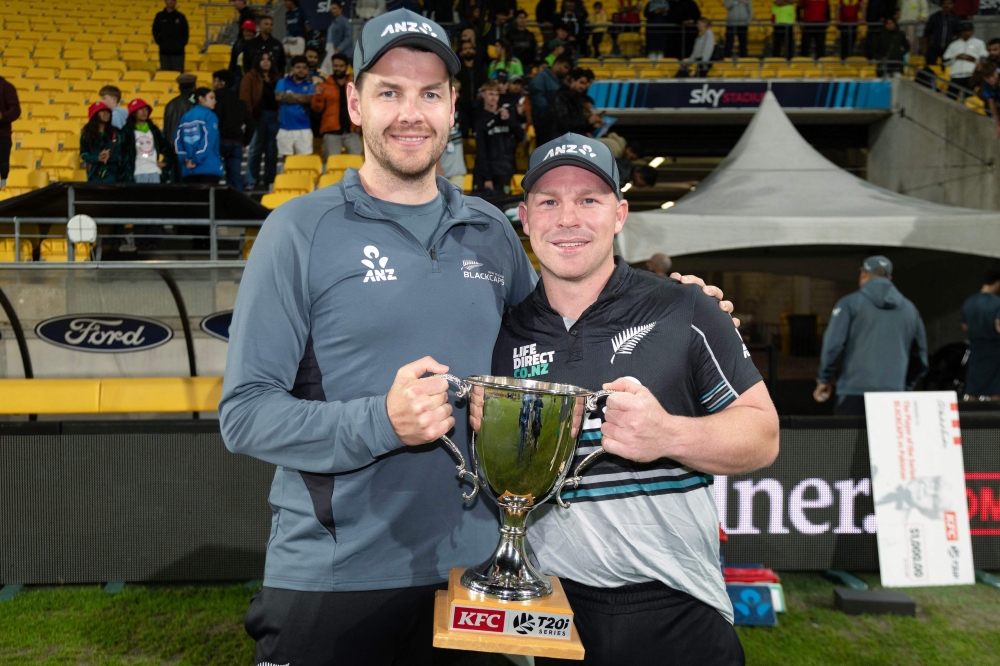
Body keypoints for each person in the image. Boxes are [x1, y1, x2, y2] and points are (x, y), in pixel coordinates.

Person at [218, 9, 537, 664]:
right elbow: (244, 414)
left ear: (454, 108)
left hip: (475, 572)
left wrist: (679, 307)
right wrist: (382, 423)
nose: (410, 113)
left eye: (429, 94)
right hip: (334, 578)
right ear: (356, 104)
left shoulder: (493, 232)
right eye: (389, 92)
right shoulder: (298, 230)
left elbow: (552, 351)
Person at [473, 133, 778, 666]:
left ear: (620, 214)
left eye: (589, 200)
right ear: (525, 218)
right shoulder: (502, 334)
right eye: (549, 201)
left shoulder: (686, 308)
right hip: (548, 607)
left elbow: (762, 436)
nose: (568, 218)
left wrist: (669, 435)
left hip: (676, 606)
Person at [814, 256, 929, 416]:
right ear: (889, 278)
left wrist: (824, 378)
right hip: (894, 394)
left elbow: (832, 345)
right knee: (886, 441)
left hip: (853, 391)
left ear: (863, 274)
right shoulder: (910, 309)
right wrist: (904, 385)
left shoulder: (849, 303)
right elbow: (921, 357)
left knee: (848, 441)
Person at [474, 79, 524, 193]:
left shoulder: (506, 115)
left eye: (496, 94)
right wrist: (487, 177)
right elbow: (481, 150)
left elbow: (520, 136)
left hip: (506, 168)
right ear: (483, 94)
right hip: (489, 172)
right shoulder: (479, 119)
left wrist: (509, 120)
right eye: (491, 94)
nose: (494, 97)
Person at [241, 51, 281, 191]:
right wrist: (248, 118)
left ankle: (270, 180)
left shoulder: (277, 77)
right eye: (262, 59)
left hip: (273, 117)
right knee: (255, 150)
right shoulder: (250, 76)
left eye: (268, 59)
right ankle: (251, 180)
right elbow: (245, 98)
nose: (266, 62)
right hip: (257, 117)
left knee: (272, 151)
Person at [312, 53, 362, 158]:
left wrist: (359, 126)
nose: (338, 68)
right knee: (331, 164)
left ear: (346, 67)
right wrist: (318, 95)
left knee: (358, 165)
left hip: (352, 131)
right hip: (331, 132)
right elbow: (317, 108)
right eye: (335, 66)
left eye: (341, 66)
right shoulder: (324, 85)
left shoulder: (355, 85)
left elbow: (362, 107)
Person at [213, 70, 255, 190]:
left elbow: (216, 120)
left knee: (214, 174)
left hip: (219, 141)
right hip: (236, 143)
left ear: (221, 82)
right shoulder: (240, 102)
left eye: (215, 81)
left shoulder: (214, 99)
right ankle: (238, 203)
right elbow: (251, 124)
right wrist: (245, 141)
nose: (214, 84)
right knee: (235, 175)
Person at [962, 270, 1000, 400]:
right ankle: (996, 418)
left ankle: (970, 417)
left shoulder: (969, 302)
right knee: (996, 388)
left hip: (976, 348)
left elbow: (964, 326)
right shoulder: (997, 303)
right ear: (996, 283)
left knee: (973, 386)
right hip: (994, 349)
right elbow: (998, 326)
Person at [174, 87, 225, 183]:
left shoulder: (184, 117)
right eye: (211, 98)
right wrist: (195, 160)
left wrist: (185, 160)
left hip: (188, 170)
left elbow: (177, 141)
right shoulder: (210, 116)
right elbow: (208, 141)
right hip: (208, 167)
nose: (215, 101)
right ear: (201, 98)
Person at [120, 98, 172, 183]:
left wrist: (165, 162)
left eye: (146, 109)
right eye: (140, 109)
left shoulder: (154, 131)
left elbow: (168, 149)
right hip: (136, 173)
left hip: (155, 172)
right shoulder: (126, 132)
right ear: (133, 113)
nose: (144, 112)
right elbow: (122, 154)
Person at [275, 55, 315, 157]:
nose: (301, 70)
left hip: (304, 128)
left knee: (304, 163)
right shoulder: (282, 82)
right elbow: (278, 97)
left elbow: (309, 99)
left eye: (304, 68)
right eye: (298, 67)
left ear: (307, 69)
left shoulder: (310, 85)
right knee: (286, 162)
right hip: (285, 128)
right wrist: (301, 98)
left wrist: (290, 94)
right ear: (292, 68)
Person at [528, 53, 572, 144]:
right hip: (545, 125)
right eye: (565, 67)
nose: (566, 71)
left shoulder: (561, 82)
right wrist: (551, 115)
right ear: (557, 63)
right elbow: (539, 101)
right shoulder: (541, 77)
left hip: (557, 127)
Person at [80, 102, 123, 182]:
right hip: (93, 175)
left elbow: (121, 154)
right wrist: (97, 158)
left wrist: (108, 157)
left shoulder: (116, 133)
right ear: (95, 115)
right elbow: (84, 154)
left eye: (107, 112)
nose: (106, 114)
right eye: (102, 111)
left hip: (113, 175)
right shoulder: (86, 133)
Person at [552, 68, 602, 136]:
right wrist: (588, 121)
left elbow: (579, 125)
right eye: (581, 82)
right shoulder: (561, 97)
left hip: (575, 138)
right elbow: (565, 124)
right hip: (563, 140)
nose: (583, 87)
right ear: (573, 80)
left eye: (585, 84)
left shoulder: (578, 97)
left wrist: (592, 125)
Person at [943, 21, 987, 93]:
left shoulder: (979, 43)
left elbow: (984, 58)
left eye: (967, 31)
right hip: (955, 75)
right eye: (963, 31)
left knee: (968, 98)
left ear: (972, 31)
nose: (964, 33)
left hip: (971, 75)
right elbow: (945, 61)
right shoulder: (954, 44)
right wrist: (956, 57)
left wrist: (974, 59)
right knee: (951, 97)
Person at [456, 41, 487, 135]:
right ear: (461, 52)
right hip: (462, 107)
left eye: (470, 48)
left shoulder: (480, 67)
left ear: (474, 51)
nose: (468, 51)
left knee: (478, 134)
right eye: (465, 49)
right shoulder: (457, 69)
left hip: (478, 106)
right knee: (463, 133)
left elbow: (485, 84)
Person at [153, 0, 189, 72]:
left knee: (178, 76)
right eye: (169, 0)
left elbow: (185, 33)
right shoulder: (160, 16)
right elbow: (155, 31)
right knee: (166, 75)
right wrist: (161, 43)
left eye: (173, 0)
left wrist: (180, 45)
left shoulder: (181, 17)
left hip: (178, 54)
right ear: (165, 1)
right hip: (164, 53)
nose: (171, 2)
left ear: (175, 2)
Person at [924, 0, 961, 66]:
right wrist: (925, 48)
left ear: (953, 5)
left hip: (948, 49)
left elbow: (958, 34)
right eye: (944, 3)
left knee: (947, 68)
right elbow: (927, 34)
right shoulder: (934, 17)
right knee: (930, 67)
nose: (946, 6)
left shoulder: (955, 18)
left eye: (949, 4)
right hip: (934, 48)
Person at [0, 73, 20, 190]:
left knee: (2, 168)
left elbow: (16, 110)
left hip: (2, 136)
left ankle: (3, 193)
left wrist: (3, 116)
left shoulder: (6, 87)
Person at [230, 19, 258, 84]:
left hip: (252, 76)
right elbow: (233, 62)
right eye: (246, 31)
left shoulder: (257, 45)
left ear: (254, 33)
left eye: (250, 31)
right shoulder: (238, 43)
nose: (247, 33)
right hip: (237, 76)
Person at [979, 61, 1000, 139]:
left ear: (996, 71)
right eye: (987, 78)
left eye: (992, 75)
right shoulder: (986, 84)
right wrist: (998, 124)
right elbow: (991, 102)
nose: (991, 79)